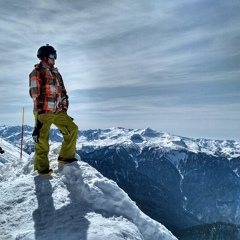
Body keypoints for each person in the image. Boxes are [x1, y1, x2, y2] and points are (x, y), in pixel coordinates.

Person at [29, 44, 78, 176]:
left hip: (57, 111)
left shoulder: (56, 73)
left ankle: (65, 157)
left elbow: (63, 92)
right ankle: (42, 168)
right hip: (44, 111)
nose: (55, 58)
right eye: (52, 56)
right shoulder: (37, 72)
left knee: (72, 129)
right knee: (42, 138)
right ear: (44, 57)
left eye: (55, 55)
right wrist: (40, 111)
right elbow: (35, 93)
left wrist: (64, 108)